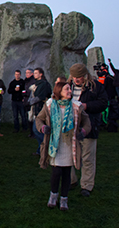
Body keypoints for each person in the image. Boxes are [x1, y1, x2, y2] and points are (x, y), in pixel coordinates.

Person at [36, 81, 91, 211]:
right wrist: (43, 127)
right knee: (56, 172)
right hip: (55, 144)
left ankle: (64, 199)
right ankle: (53, 196)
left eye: (70, 89)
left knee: (66, 173)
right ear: (59, 91)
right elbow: (39, 119)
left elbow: (87, 121)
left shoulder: (76, 106)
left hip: (70, 143)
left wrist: (83, 131)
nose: (70, 91)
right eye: (66, 89)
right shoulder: (50, 105)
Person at [68, 63, 108, 197]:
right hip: (70, 127)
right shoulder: (68, 86)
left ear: (85, 75)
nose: (76, 79)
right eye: (74, 77)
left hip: (88, 126)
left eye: (79, 77)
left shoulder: (95, 87)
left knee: (87, 157)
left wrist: (86, 106)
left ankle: (86, 185)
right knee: (69, 156)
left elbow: (103, 103)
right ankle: (71, 180)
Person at [28, 68, 52, 155]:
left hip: (41, 110)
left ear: (41, 74)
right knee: (37, 130)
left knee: (37, 130)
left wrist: (30, 101)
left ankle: (46, 147)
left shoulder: (44, 84)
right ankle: (41, 150)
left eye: (36, 73)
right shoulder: (37, 84)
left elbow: (41, 97)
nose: (34, 74)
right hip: (36, 109)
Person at [23, 69, 36, 138]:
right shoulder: (26, 80)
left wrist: (25, 93)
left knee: (32, 118)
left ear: (32, 74)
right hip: (26, 100)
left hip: (31, 101)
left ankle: (33, 133)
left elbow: (30, 91)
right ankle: (31, 132)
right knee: (28, 117)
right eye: (26, 73)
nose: (27, 74)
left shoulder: (33, 81)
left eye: (28, 73)